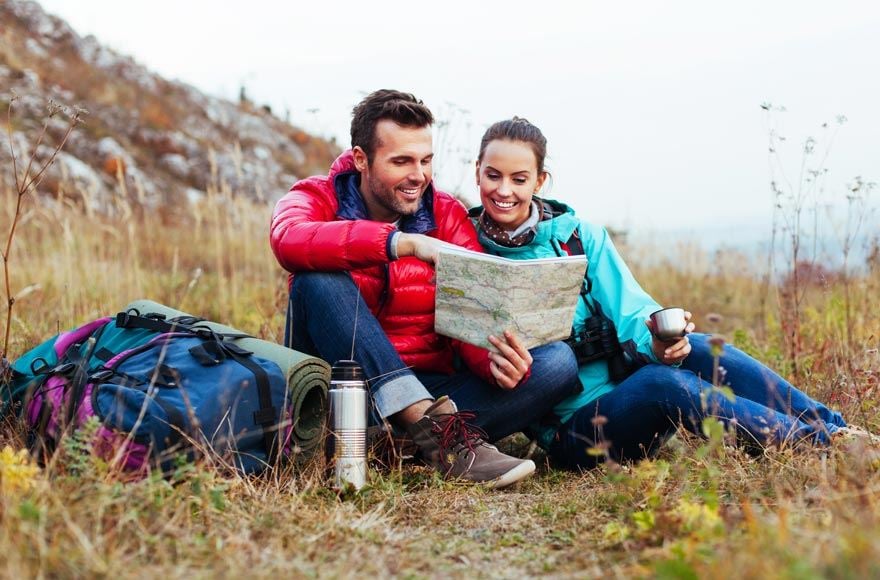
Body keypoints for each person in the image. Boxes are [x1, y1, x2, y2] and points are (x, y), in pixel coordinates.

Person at [469, 116, 858, 471]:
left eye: (519, 179)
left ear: (539, 181)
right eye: (493, 176)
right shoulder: (463, 246)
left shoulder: (577, 238)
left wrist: (661, 340)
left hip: (632, 392)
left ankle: (839, 433)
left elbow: (634, 309)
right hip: (578, 432)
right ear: (477, 174)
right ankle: (816, 444)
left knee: (703, 346)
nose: (505, 190)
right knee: (660, 384)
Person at [269, 91, 580, 487]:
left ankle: (397, 443)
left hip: (433, 390)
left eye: (426, 161)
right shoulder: (316, 196)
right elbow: (288, 238)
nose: (418, 175)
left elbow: (473, 313)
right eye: (401, 161)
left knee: (557, 363)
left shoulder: (447, 214)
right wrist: (401, 243)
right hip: (344, 392)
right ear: (361, 159)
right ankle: (438, 439)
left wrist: (494, 360)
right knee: (318, 277)